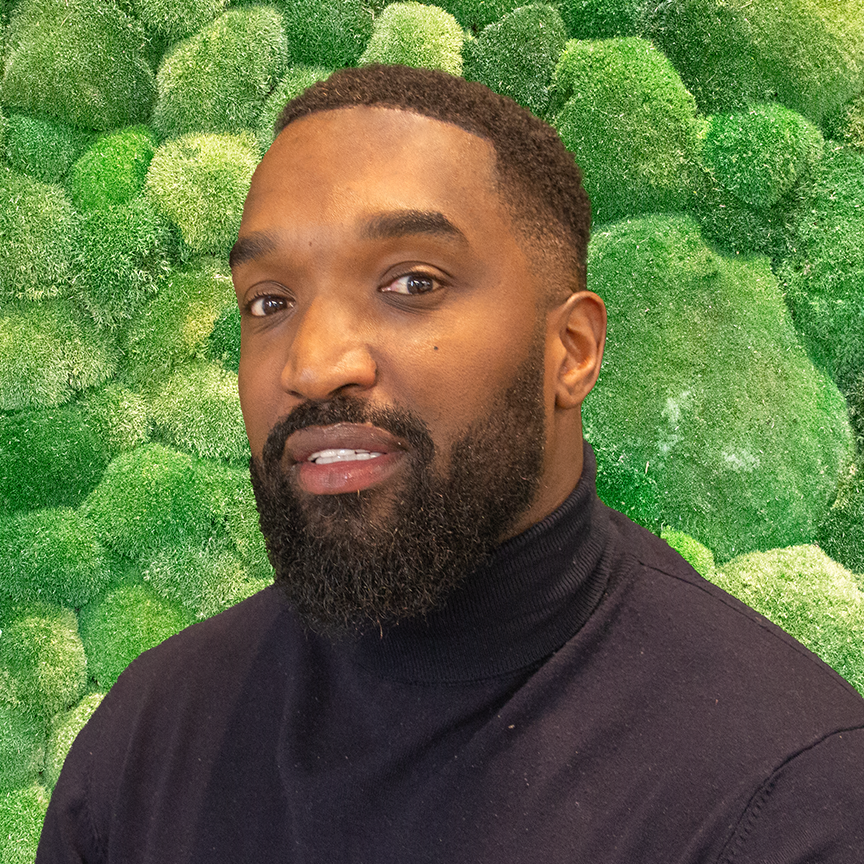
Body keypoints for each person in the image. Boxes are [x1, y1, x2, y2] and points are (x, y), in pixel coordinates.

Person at [38, 65, 864, 863]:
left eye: (413, 283)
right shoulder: (144, 743)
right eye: (270, 302)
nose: (313, 364)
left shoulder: (791, 801)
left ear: (572, 351)